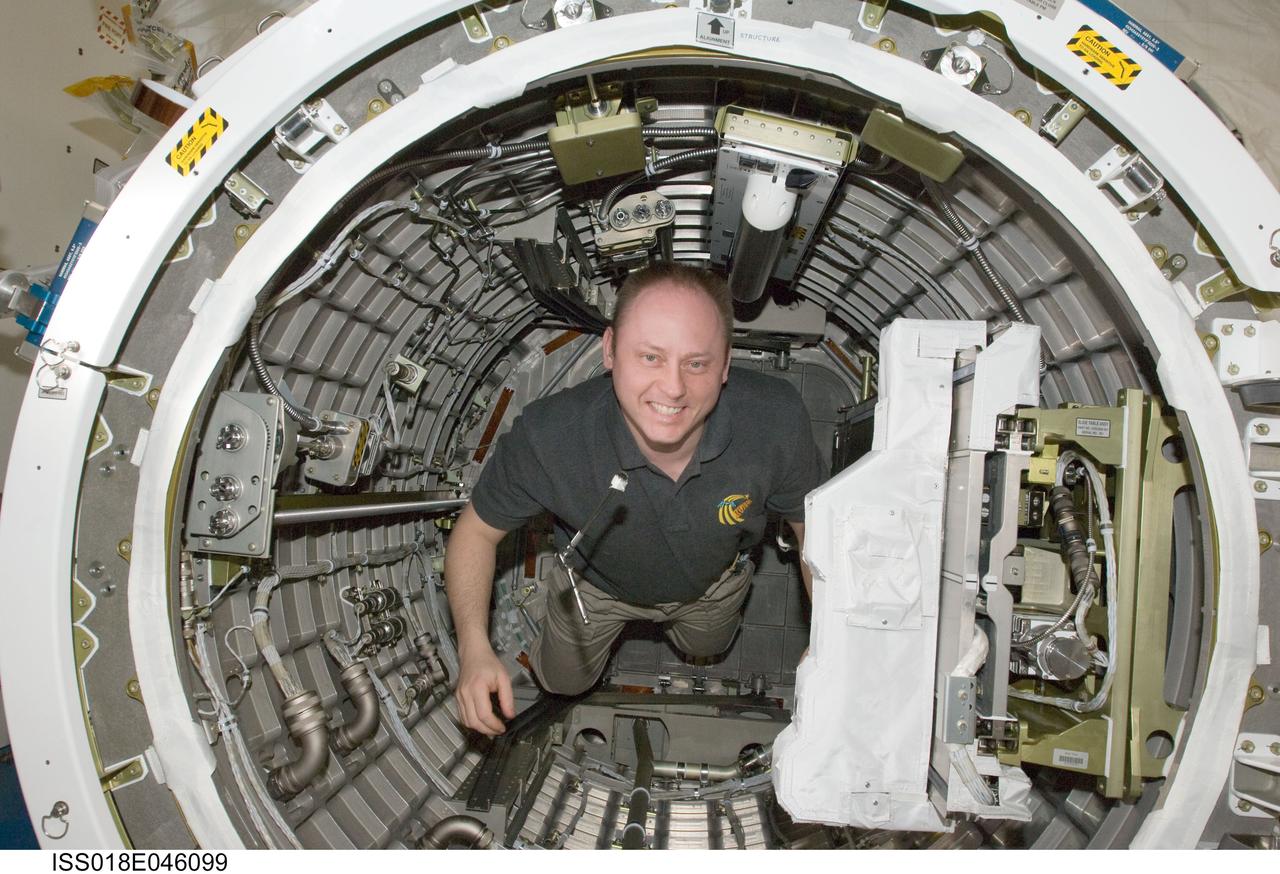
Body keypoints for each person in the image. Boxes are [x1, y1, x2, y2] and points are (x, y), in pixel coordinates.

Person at [444, 264, 826, 736]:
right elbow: (476, 532)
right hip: (594, 590)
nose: (673, 387)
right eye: (650, 357)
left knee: (705, 648)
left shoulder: (775, 420)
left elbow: (813, 526)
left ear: (726, 365)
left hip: (710, 588)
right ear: (610, 351)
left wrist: (831, 632)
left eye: (697, 363)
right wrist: (474, 650)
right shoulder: (548, 436)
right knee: (561, 683)